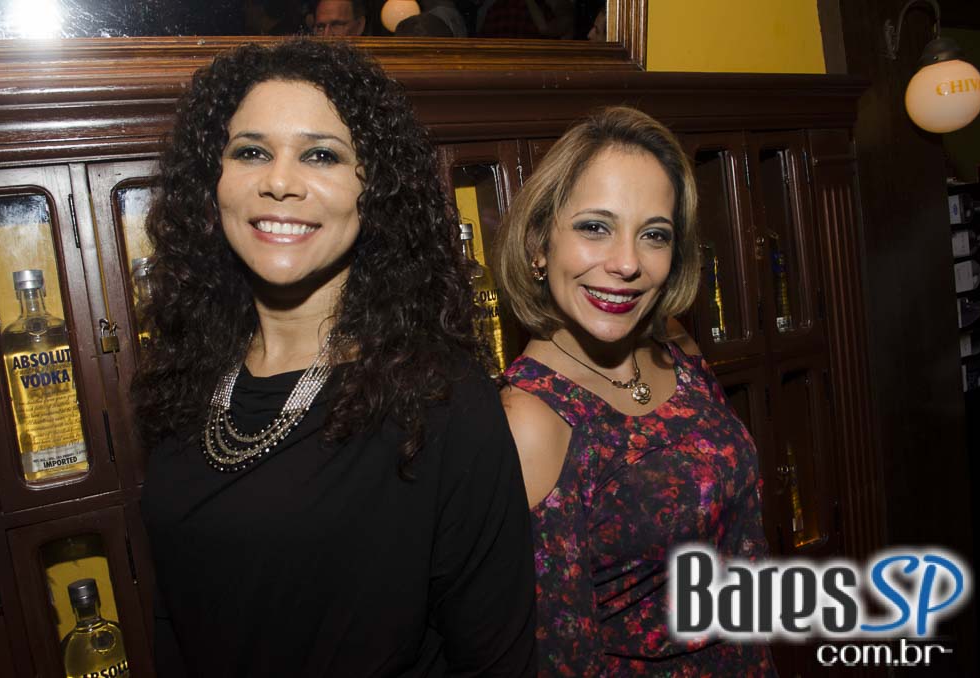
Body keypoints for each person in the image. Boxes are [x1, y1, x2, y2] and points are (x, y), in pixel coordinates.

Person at [135, 39, 536, 676]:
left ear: (374, 189)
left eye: (321, 154)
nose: (278, 182)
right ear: (213, 182)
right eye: (251, 152)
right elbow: (174, 616)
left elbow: (496, 661)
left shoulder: (441, 401)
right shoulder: (187, 377)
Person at [495, 107, 775, 676]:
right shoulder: (530, 419)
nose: (627, 264)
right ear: (538, 243)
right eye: (594, 227)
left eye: (654, 235)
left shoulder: (676, 345)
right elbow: (562, 658)